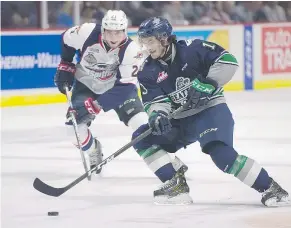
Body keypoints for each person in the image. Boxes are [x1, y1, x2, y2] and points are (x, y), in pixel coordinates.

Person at [132, 16, 289, 206]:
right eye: (143, 41)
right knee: (142, 138)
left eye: (150, 41)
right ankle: (175, 185)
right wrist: (158, 115)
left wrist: (209, 82)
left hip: (210, 110)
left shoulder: (192, 49)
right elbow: (155, 102)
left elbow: (228, 61)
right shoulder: (147, 70)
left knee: (222, 155)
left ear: (164, 38)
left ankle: (272, 189)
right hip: (181, 120)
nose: (146, 46)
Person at [54, 10, 149, 177]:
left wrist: (96, 105)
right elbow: (66, 39)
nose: (113, 37)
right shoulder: (87, 32)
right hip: (86, 85)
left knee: (143, 124)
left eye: (118, 32)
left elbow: (126, 87)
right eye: (109, 31)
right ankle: (93, 150)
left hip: (116, 88)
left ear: (125, 31)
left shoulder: (132, 50)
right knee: (73, 130)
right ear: (103, 29)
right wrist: (66, 64)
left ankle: (167, 159)